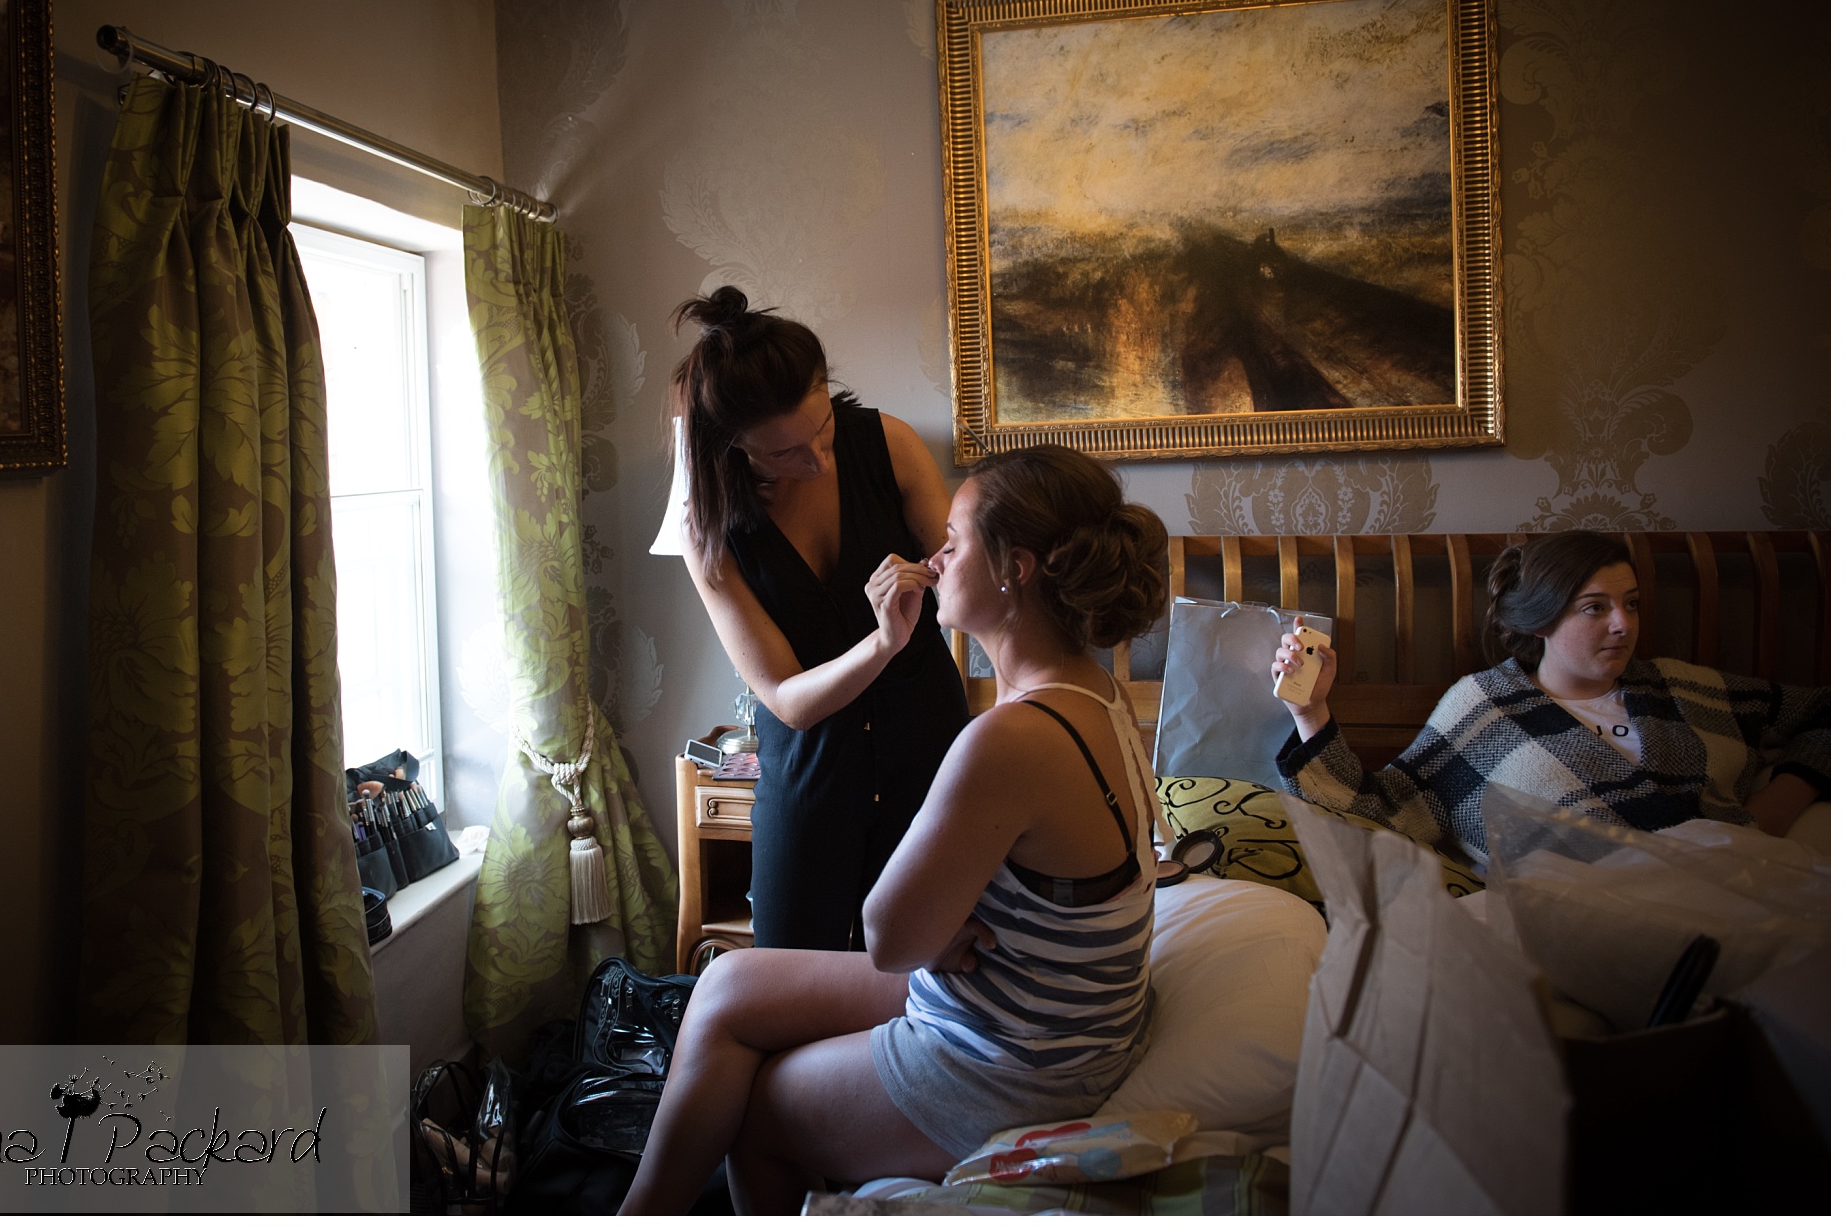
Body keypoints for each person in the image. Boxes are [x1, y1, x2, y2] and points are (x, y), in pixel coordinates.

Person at [623, 445, 1201, 1213]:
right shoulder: (1097, 693)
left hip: (1013, 1061)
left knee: (757, 1110)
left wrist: (936, 928)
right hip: (1048, 1020)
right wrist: (947, 922)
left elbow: (890, 939)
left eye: (954, 542)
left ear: (1015, 569)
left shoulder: (1010, 739)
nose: (934, 558)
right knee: (726, 982)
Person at [670, 288, 967, 951]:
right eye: (784, 454)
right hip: (810, 777)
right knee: (788, 971)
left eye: (824, 430)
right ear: (733, 446)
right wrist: (884, 641)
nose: (817, 462)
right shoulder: (708, 530)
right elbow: (786, 699)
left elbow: (963, 577)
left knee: (928, 974)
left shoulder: (891, 444)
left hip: (929, 755)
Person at [1271, 528, 1829, 873]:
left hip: (1735, 884)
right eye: (1595, 608)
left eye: (1632, 604)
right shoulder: (1484, 710)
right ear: (1539, 620)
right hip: (1592, 919)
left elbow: (1824, 711)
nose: (1623, 624)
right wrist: (1310, 711)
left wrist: (1787, 795)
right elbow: (1384, 813)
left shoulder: (1683, 688)